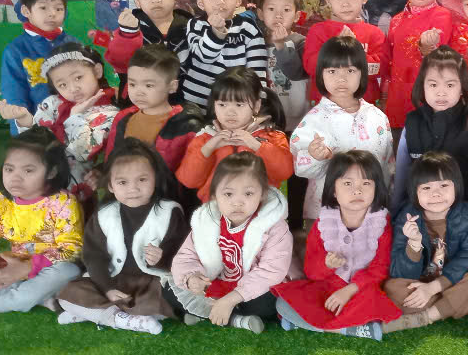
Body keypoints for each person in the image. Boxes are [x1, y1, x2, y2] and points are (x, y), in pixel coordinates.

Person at [55, 140, 188, 335]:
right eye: (123, 182)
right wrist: (107, 288)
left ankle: (95, 313)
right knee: (67, 293)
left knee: (170, 300)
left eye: (142, 180)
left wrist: (163, 257)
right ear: (110, 185)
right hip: (114, 281)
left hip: (151, 284)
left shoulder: (169, 212)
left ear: (155, 179)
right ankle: (123, 319)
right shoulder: (104, 215)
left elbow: (183, 253)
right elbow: (94, 257)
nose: (133, 189)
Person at [273, 150, 402, 340]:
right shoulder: (324, 223)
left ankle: (314, 325)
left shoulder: (381, 222)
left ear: (377, 188)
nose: (357, 191)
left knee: (374, 301)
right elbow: (311, 270)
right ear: (334, 189)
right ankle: (349, 329)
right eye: (348, 184)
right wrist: (327, 265)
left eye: (366, 183)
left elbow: (380, 268)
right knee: (284, 303)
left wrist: (350, 290)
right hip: (327, 287)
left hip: (361, 289)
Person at [169, 153, 292, 334]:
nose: (237, 202)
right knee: (170, 288)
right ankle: (237, 320)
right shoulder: (207, 221)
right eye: (228, 194)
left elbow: (272, 270)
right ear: (215, 195)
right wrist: (192, 278)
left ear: (263, 194)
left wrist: (232, 298)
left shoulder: (274, 226)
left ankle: (208, 313)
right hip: (217, 283)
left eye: (248, 193)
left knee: (270, 302)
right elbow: (187, 256)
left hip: (250, 290)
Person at [290, 37, 394, 223]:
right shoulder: (313, 120)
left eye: (350, 70)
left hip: (370, 213)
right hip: (326, 214)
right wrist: (314, 156)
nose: (341, 78)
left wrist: (385, 203)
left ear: (362, 74)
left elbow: (387, 166)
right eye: (332, 71)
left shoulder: (377, 117)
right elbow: (301, 168)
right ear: (321, 75)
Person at [384, 150, 468, 333]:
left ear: (456, 186)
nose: (436, 194)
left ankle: (427, 316)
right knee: (392, 287)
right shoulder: (406, 217)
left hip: (452, 280)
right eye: (426, 188)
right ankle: (458, 304)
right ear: (414, 191)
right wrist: (414, 244)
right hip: (419, 281)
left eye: (443, 185)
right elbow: (398, 271)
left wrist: (434, 287)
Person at [0, 129, 82, 315]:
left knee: (68, 271)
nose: (15, 177)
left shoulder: (63, 202)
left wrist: (28, 267)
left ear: (51, 171)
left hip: (52, 267)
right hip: (16, 262)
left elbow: (71, 248)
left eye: (28, 170)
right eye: (9, 169)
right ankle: (42, 297)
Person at [10, 43, 116, 202]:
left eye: (78, 77)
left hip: (76, 190)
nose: (73, 88)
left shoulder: (109, 113)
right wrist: (25, 121)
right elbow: (33, 143)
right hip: (35, 186)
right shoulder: (51, 103)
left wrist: (75, 117)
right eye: (62, 85)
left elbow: (81, 153)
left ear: (97, 71)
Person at [391, 47, 468, 214]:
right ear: (423, 86)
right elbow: (402, 172)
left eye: (450, 85)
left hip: (464, 211)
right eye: (433, 85)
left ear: (462, 88)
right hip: (420, 211)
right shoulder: (412, 122)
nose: (441, 93)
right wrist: (396, 208)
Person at [176, 68, 293, 202]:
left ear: (256, 106)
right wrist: (208, 148)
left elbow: (284, 172)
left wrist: (256, 145)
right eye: (222, 104)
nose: (230, 112)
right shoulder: (205, 138)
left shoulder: (271, 136)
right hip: (216, 209)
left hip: (261, 209)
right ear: (214, 105)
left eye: (239, 104)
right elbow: (189, 180)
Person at [103, 46, 205, 176]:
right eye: (133, 84)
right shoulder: (122, 118)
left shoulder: (187, 126)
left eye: (148, 85)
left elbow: (192, 174)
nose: (138, 92)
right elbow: (111, 162)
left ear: (172, 86)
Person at [386, 0, 459, 128]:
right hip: (397, 98)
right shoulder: (396, 20)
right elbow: (388, 60)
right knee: (397, 141)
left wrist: (427, 47)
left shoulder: (442, 16)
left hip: (427, 99)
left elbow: (437, 54)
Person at [181, 0, 268, 106]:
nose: (220, 2)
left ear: (238, 0)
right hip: (196, 104)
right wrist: (216, 32)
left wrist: (259, 103)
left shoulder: (249, 29)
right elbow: (204, 56)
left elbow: (257, 71)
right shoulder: (196, 24)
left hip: (233, 106)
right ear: (201, 3)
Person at [0, 0, 74, 135]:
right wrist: (22, 127)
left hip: (73, 125)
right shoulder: (15, 50)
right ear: (26, 11)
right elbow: (14, 90)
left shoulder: (73, 44)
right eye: (43, 8)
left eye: (59, 9)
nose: (52, 13)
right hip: (34, 128)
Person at [303, 0, 388, 105]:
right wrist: (335, 48)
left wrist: (355, 51)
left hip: (363, 106)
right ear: (328, 0)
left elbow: (381, 68)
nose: (345, 4)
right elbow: (311, 67)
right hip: (326, 106)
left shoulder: (374, 33)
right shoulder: (317, 31)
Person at [106, 0, 191, 98]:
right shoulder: (130, 28)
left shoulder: (191, 26)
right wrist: (127, 35)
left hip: (183, 101)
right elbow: (118, 62)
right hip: (138, 102)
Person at [258, 0, 309, 132]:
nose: (278, 15)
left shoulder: (301, 42)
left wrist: (280, 45)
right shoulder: (257, 43)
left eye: (286, 10)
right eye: (271, 9)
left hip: (299, 119)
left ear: (297, 16)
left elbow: (297, 73)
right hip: (268, 118)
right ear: (261, 14)